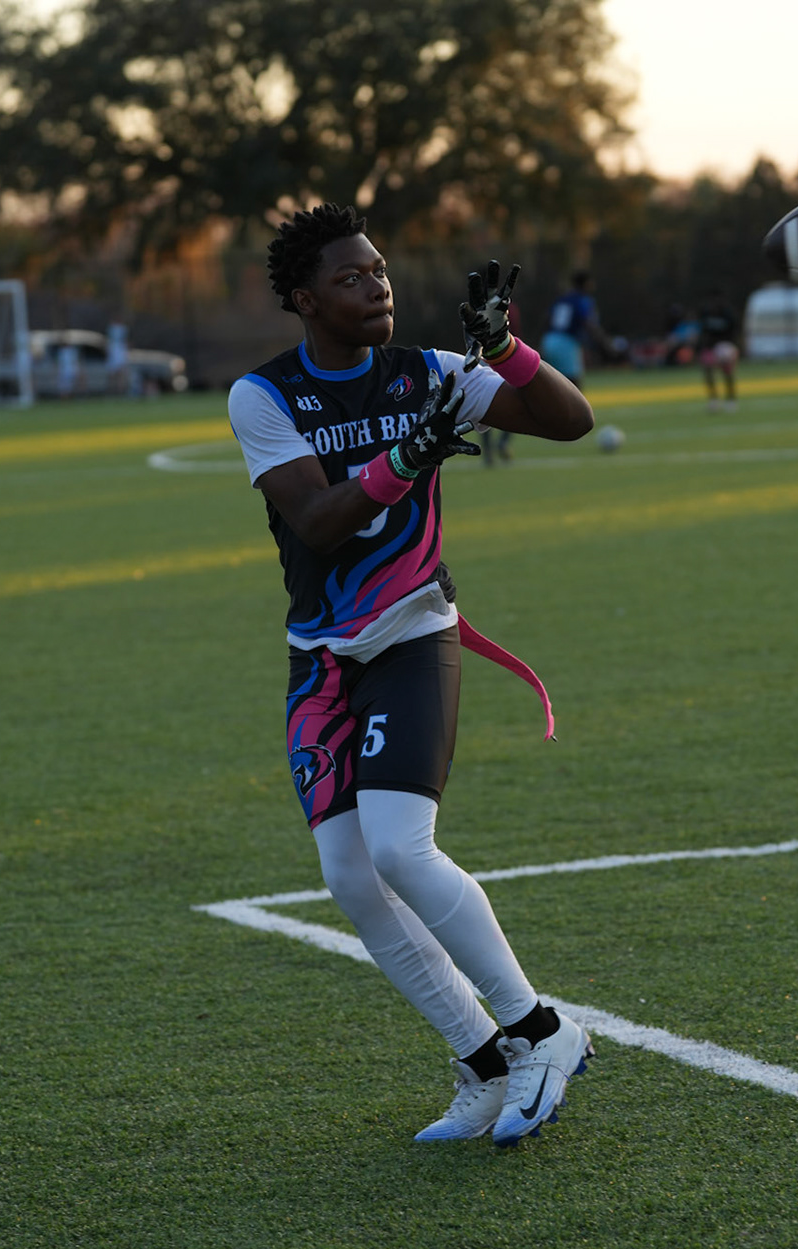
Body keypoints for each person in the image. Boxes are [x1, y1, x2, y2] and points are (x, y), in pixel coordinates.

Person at [224, 203, 596, 1146]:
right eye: (350, 277)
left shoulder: (430, 372)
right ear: (305, 299)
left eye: (381, 269)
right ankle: (484, 1063)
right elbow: (318, 523)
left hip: (413, 633)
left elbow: (571, 421)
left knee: (398, 848)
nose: (376, 286)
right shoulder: (263, 397)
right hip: (322, 657)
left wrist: (504, 349)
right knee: (349, 875)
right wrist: (405, 456)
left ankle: (541, 1030)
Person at [695, 292, 739, 410]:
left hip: (724, 345)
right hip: (710, 346)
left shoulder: (727, 313)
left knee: (727, 371)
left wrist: (731, 346)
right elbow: (703, 331)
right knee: (708, 370)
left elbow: (734, 329)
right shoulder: (705, 313)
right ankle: (713, 399)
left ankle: (731, 398)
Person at [105, 320, 131, 395]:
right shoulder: (110, 329)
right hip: (112, 351)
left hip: (120, 351)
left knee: (121, 373)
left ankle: (121, 391)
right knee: (112, 374)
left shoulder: (124, 329)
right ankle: (112, 391)